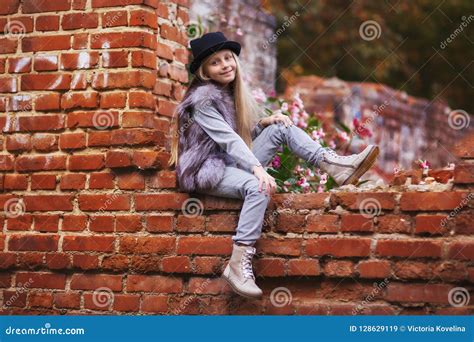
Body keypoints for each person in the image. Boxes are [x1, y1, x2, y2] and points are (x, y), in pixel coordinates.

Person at [168, 31, 379, 299]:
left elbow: (235, 139)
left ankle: (335, 166)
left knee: (281, 127)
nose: (225, 65)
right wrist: (257, 168)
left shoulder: (226, 93)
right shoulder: (203, 100)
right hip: (206, 170)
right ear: (205, 71)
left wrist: (262, 126)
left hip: (226, 160)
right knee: (257, 187)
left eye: (228, 58)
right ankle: (237, 264)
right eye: (215, 62)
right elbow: (228, 140)